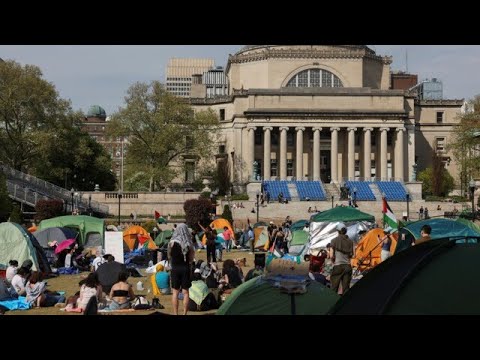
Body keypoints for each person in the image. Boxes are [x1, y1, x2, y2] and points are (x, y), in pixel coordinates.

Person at [167, 223, 194, 315]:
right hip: (185, 268)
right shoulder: (188, 243)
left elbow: (169, 255)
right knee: (186, 292)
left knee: (175, 292)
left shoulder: (172, 242)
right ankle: (185, 313)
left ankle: (175, 313)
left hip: (174, 268)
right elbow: (191, 258)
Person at [329, 223, 354, 295]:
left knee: (334, 288)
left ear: (338, 231)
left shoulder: (334, 240)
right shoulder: (350, 241)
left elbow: (331, 255)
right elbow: (351, 255)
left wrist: (333, 262)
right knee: (346, 289)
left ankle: (333, 304)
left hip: (338, 266)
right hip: (347, 266)